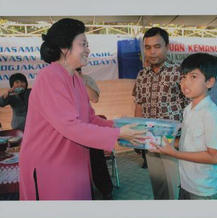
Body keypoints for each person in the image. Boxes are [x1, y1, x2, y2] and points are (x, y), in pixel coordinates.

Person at [19, 18, 145, 200]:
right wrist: (118, 133)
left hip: (73, 162)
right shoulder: (49, 77)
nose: (88, 49)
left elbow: (89, 118)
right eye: (83, 44)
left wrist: (118, 125)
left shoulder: (76, 79)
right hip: (50, 164)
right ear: (64, 48)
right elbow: (70, 126)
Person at [151, 53, 217, 199]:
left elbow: (215, 157)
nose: (185, 83)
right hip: (186, 184)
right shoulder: (189, 109)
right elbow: (190, 143)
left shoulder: (212, 114)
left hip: (204, 189)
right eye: (184, 76)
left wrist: (173, 153)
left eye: (193, 77)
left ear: (210, 82)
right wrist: (166, 142)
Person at [132, 27, 189, 200]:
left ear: (167, 47)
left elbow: (191, 107)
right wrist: (137, 133)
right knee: (158, 187)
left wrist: (183, 139)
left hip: (173, 142)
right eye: (148, 47)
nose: (152, 52)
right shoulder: (142, 75)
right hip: (150, 141)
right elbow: (139, 105)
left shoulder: (180, 73)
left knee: (175, 188)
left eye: (157, 46)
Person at [77, 70, 114, 200]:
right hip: (71, 129)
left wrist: (79, 79)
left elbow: (95, 98)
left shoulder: (86, 79)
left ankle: (106, 190)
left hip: (88, 125)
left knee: (97, 161)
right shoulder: (60, 81)